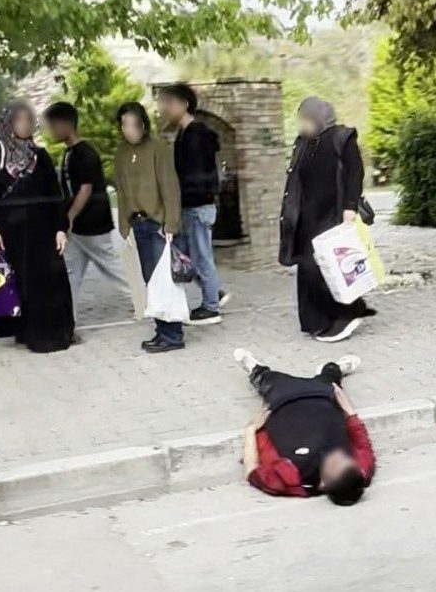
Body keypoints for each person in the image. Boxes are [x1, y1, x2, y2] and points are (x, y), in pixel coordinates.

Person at [279, 97, 376, 342]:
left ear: (318, 118)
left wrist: (350, 207)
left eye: (306, 119)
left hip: (334, 212)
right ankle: (316, 321)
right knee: (307, 267)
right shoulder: (303, 142)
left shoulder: (342, 137)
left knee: (330, 266)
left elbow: (354, 174)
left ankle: (345, 316)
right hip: (307, 215)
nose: (302, 124)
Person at [0, 101, 74, 353]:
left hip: (41, 231)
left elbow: (54, 195)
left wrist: (60, 228)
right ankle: (23, 331)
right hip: (10, 232)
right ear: (8, 123)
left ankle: (50, 336)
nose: (24, 125)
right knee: (18, 282)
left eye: (28, 120)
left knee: (46, 282)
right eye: (18, 120)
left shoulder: (39, 155)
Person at [235, 349, 375, 505]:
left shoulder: (292, 480)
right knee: (330, 375)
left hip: (283, 401)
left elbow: (251, 471)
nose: (339, 455)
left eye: (335, 463)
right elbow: (363, 444)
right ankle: (331, 370)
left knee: (269, 380)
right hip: (324, 397)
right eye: (347, 460)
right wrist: (348, 409)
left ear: (324, 483)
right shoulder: (360, 473)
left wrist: (251, 430)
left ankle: (256, 370)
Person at [43, 102, 130, 319]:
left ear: (66, 124)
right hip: (76, 229)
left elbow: (85, 190)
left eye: (53, 125)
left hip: (93, 225)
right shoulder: (69, 153)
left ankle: (149, 304)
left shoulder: (85, 153)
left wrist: (69, 217)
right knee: (68, 273)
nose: (51, 131)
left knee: (114, 270)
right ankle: (66, 319)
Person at [113, 102, 184, 353]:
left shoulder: (158, 148)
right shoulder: (121, 153)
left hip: (157, 224)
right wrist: (124, 226)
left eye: (134, 124)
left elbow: (170, 188)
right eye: (124, 124)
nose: (129, 129)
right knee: (150, 281)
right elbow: (121, 191)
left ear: (143, 124)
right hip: (137, 223)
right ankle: (161, 330)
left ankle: (173, 334)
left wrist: (170, 223)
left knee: (164, 280)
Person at [156, 83, 229, 325]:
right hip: (190, 207)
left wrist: (181, 204)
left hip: (198, 207)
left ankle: (211, 307)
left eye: (169, 103)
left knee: (200, 257)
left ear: (184, 104)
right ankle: (214, 292)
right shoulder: (185, 134)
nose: (165, 108)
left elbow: (196, 178)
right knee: (182, 256)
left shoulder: (196, 135)